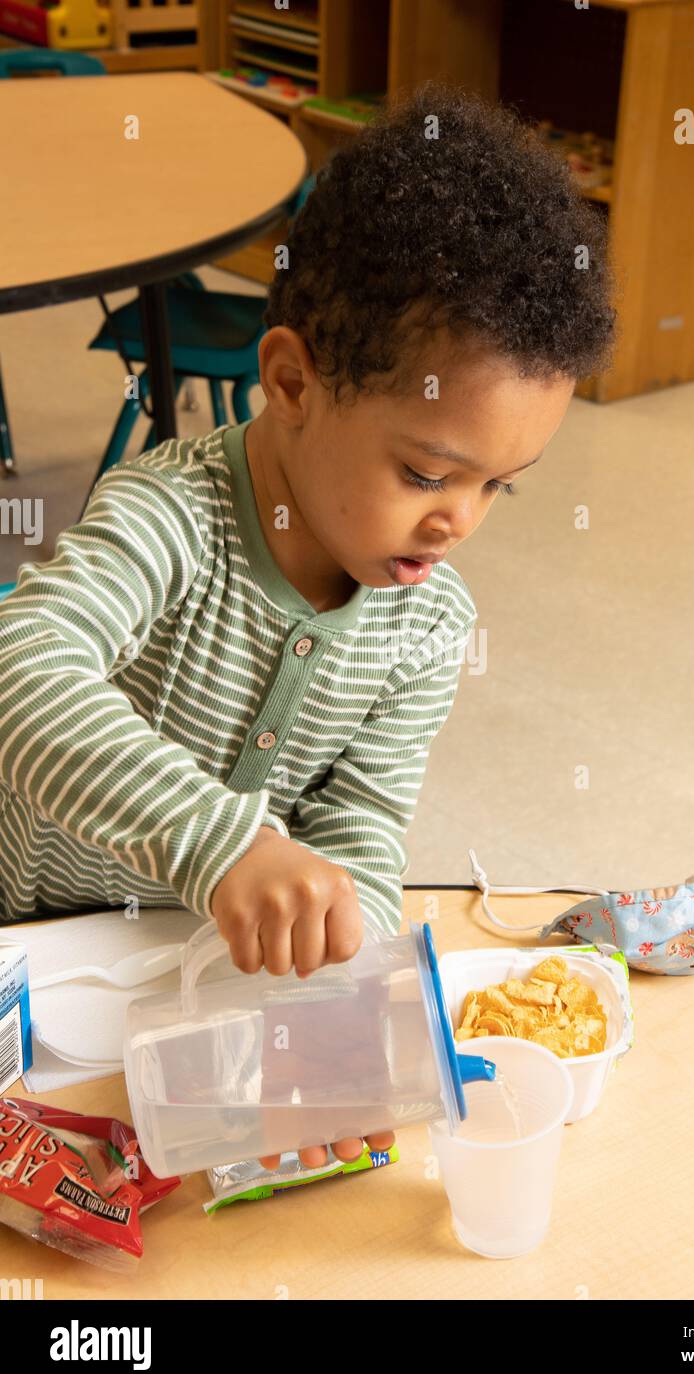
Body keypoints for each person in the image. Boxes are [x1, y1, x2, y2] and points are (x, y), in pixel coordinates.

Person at [0, 80, 615, 1169]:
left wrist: (344, 981)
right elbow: (22, 674)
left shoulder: (425, 625)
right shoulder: (168, 517)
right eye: (427, 470)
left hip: (183, 978)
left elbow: (363, 821)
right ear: (290, 379)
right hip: (34, 955)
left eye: (497, 487)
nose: (457, 520)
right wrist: (225, 840)